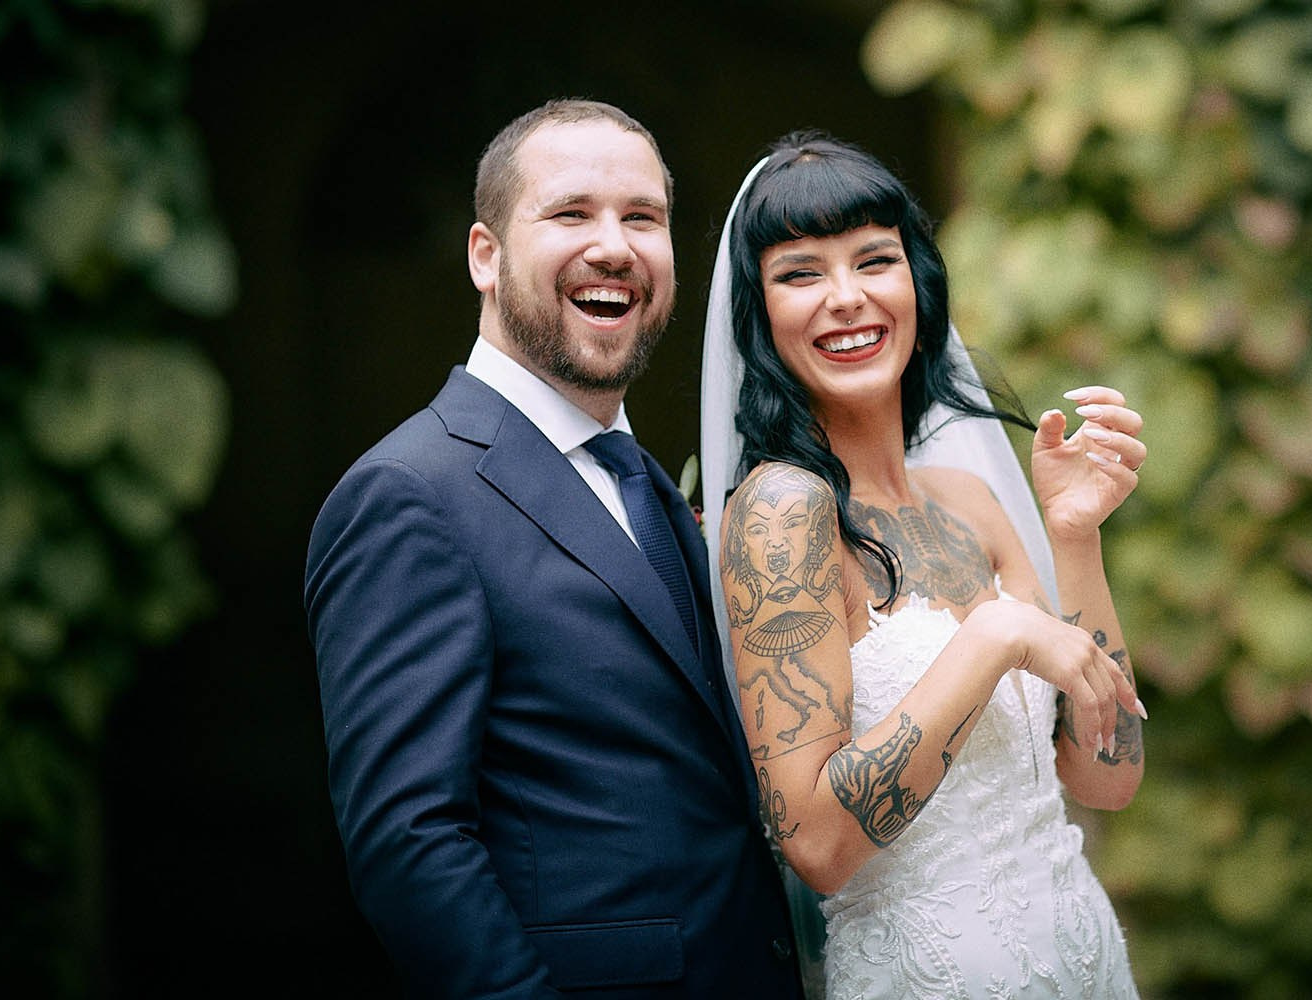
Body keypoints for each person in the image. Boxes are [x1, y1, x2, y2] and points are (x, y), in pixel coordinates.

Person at [304, 99, 804, 999]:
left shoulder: (646, 481)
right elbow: (409, 843)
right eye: (570, 212)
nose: (613, 245)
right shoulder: (409, 495)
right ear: (484, 257)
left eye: (641, 218)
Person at [699, 131, 1149, 999]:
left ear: (916, 283)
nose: (845, 298)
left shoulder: (970, 504)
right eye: (800, 273)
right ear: (759, 317)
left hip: (1086, 961)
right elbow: (819, 846)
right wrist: (991, 637)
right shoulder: (783, 515)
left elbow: (1108, 774)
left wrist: (1074, 538)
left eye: (875, 260)